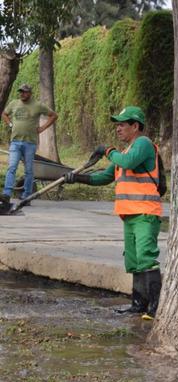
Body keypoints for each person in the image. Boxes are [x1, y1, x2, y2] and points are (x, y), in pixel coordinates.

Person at [64, 106, 162, 320]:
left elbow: (126, 162)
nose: (118, 129)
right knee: (134, 261)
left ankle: (154, 309)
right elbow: (104, 177)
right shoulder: (124, 153)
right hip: (129, 215)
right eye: (117, 124)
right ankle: (138, 305)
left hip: (145, 212)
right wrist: (76, 178)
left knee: (146, 258)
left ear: (135, 126)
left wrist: (108, 151)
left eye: (122, 124)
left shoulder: (143, 144)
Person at [1, 84, 58, 206]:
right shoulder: (14, 103)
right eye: (20, 92)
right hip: (15, 142)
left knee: (28, 170)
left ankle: (27, 196)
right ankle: (6, 194)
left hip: (30, 143)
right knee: (12, 168)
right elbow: (4, 114)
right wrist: (10, 124)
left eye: (24, 92)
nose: (22, 94)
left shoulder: (37, 105)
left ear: (30, 93)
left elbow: (53, 115)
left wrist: (42, 128)